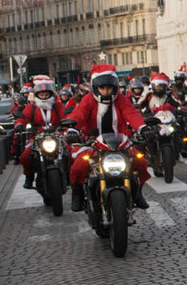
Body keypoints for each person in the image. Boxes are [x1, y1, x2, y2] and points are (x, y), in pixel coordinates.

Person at [67, 65, 150, 209]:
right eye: (102, 88)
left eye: (109, 88)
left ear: (115, 87)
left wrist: (143, 128)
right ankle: (77, 194)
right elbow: (78, 115)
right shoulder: (88, 100)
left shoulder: (121, 99)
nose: (106, 91)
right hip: (92, 142)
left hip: (120, 142)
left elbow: (132, 114)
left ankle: (137, 193)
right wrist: (72, 129)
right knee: (78, 167)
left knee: (141, 163)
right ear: (95, 87)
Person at [16, 76, 67, 189]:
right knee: (25, 157)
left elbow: (66, 115)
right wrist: (19, 124)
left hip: (56, 136)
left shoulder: (57, 106)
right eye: (41, 95)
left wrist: (67, 122)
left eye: (46, 94)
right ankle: (29, 177)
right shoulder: (31, 107)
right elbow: (23, 117)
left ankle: (69, 178)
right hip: (37, 137)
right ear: (37, 95)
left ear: (51, 94)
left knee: (69, 152)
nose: (44, 97)